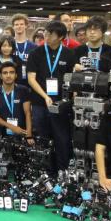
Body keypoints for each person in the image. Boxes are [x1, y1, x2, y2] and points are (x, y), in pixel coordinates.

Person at [26, 20, 75, 171]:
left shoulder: (69, 54)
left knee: (62, 139)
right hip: (40, 102)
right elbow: (31, 79)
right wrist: (45, 96)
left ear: (60, 37)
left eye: (50, 34)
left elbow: (72, 79)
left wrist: (70, 99)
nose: (46, 35)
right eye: (46, 32)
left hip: (61, 105)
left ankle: (62, 171)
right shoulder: (36, 53)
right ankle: (44, 171)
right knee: (42, 138)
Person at [0, 61, 32, 139]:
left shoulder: (23, 90)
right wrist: (12, 127)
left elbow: (28, 113)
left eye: (11, 72)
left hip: (21, 132)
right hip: (1, 134)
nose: (8, 75)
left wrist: (29, 135)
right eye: (5, 73)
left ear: (16, 75)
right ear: (0, 76)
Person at [11, 13, 37, 81]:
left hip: (29, 82)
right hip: (12, 82)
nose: (19, 26)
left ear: (26, 26)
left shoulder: (34, 46)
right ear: (13, 27)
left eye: (21, 24)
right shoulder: (9, 45)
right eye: (16, 24)